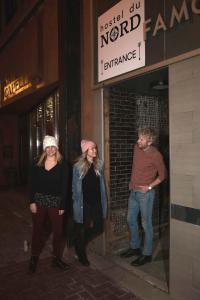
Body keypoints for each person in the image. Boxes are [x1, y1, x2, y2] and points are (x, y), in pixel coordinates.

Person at [120, 128, 166, 266]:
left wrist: (149, 187)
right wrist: (132, 182)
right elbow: (136, 167)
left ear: (150, 141)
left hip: (145, 194)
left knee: (146, 224)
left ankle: (146, 254)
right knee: (130, 220)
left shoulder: (156, 155)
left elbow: (163, 175)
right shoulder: (137, 148)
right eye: (138, 138)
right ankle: (134, 247)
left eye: (141, 139)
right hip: (133, 191)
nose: (137, 141)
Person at [29, 135, 70, 273]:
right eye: (48, 146)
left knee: (58, 232)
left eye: (53, 146)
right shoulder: (37, 164)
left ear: (56, 148)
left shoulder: (63, 165)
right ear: (44, 148)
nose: (51, 149)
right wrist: (32, 201)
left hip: (55, 202)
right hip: (39, 201)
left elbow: (65, 187)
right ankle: (34, 258)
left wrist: (62, 205)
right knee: (37, 230)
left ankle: (56, 259)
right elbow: (32, 185)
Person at [72, 139, 107, 266]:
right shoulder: (78, 167)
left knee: (99, 228)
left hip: (97, 201)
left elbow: (101, 185)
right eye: (92, 148)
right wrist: (76, 203)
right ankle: (81, 254)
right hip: (84, 202)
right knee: (82, 228)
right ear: (86, 151)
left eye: (95, 148)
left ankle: (79, 242)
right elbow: (74, 188)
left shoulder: (99, 164)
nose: (94, 150)